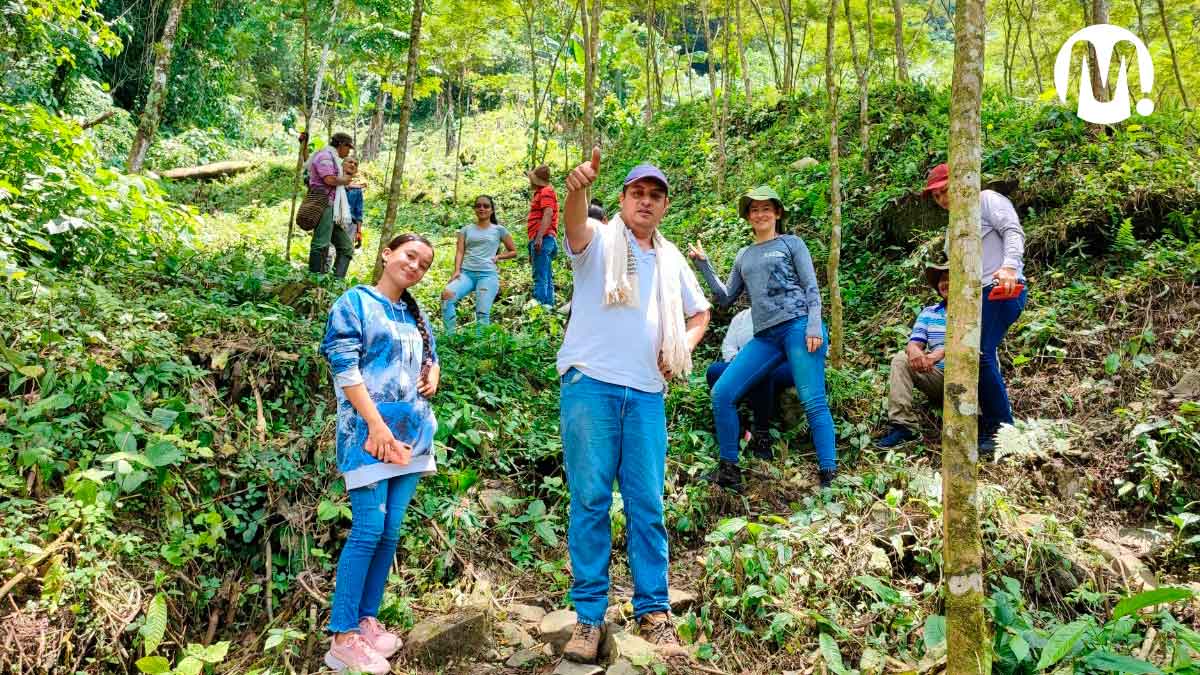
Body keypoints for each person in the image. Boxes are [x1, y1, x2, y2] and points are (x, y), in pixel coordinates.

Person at [557, 149, 710, 664]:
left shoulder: (671, 259)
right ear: (621, 200)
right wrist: (576, 188)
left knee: (647, 504)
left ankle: (654, 611)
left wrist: (683, 345)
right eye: (636, 193)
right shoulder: (600, 241)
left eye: (655, 195)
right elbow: (574, 225)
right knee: (592, 500)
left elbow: (701, 312)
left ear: (664, 206)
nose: (645, 202)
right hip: (591, 385)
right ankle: (588, 617)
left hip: (646, 392)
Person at [318, 233, 441, 674]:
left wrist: (434, 372)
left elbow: (430, 354)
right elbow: (344, 368)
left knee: (389, 532)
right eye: (410, 256)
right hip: (368, 435)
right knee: (368, 529)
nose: (415, 266)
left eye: (424, 264)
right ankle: (342, 637)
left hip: (412, 436)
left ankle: (367, 621)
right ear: (387, 253)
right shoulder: (355, 302)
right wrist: (375, 424)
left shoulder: (414, 310)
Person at [688, 185, 837, 491]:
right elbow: (726, 297)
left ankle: (829, 473)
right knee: (722, 393)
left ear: (777, 213)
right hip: (766, 335)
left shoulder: (791, 244)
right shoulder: (745, 255)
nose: (760, 214)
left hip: (798, 326)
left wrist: (813, 325)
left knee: (813, 401)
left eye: (766, 208)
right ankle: (729, 469)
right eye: (754, 210)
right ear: (747, 216)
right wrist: (703, 264)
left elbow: (811, 287)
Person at [924, 163, 1027, 453]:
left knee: (978, 354)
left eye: (945, 190)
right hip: (971, 298)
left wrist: (1009, 267)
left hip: (1001, 288)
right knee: (970, 356)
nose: (942, 199)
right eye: (936, 196)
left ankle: (1001, 430)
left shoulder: (986, 200)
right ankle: (986, 421)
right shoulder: (952, 230)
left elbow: (1013, 231)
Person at [875, 263, 949, 448]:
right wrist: (915, 352)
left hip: (971, 380)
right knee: (901, 359)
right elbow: (914, 343)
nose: (945, 283)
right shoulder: (930, 313)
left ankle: (986, 422)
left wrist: (937, 355)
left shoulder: (976, 310)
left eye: (950, 278)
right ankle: (904, 427)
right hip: (939, 378)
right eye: (942, 280)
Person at [705, 308, 795, 460]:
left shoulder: (783, 311)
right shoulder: (741, 317)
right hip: (742, 364)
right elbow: (728, 345)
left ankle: (762, 435)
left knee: (761, 373)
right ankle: (735, 424)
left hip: (779, 365)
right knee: (714, 371)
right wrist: (737, 362)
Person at [441, 195, 518, 333]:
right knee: (447, 295)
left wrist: (498, 257)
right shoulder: (466, 230)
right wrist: (456, 271)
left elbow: (513, 251)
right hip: (467, 274)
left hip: (487, 276)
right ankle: (450, 338)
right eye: (478, 205)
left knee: (482, 313)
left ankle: (480, 346)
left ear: (492, 210)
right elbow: (459, 252)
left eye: (486, 206)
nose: (482, 208)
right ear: (475, 209)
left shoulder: (499, 230)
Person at [306, 132, 357, 278]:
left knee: (346, 248)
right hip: (323, 202)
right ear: (341, 145)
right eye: (348, 147)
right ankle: (314, 280)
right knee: (321, 244)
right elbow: (329, 179)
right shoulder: (326, 156)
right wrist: (346, 179)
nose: (348, 152)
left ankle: (336, 282)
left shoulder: (333, 158)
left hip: (332, 206)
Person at [526, 164, 559, 306]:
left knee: (540, 276)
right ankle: (548, 308)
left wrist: (539, 237)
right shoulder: (542, 192)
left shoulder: (546, 191)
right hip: (544, 239)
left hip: (544, 239)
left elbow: (548, 213)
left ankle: (538, 309)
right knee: (545, 275)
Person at [344, 158, 365, 250]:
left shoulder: (357, 189)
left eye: (355, 164)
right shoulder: (333, 181)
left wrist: (359, 232)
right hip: (332, 220)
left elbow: (358, 211)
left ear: (356, 170)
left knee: (347, 251)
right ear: (343, 165)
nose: (353, 165)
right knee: (328, 252)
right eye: (350, 162)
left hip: (350, 224)